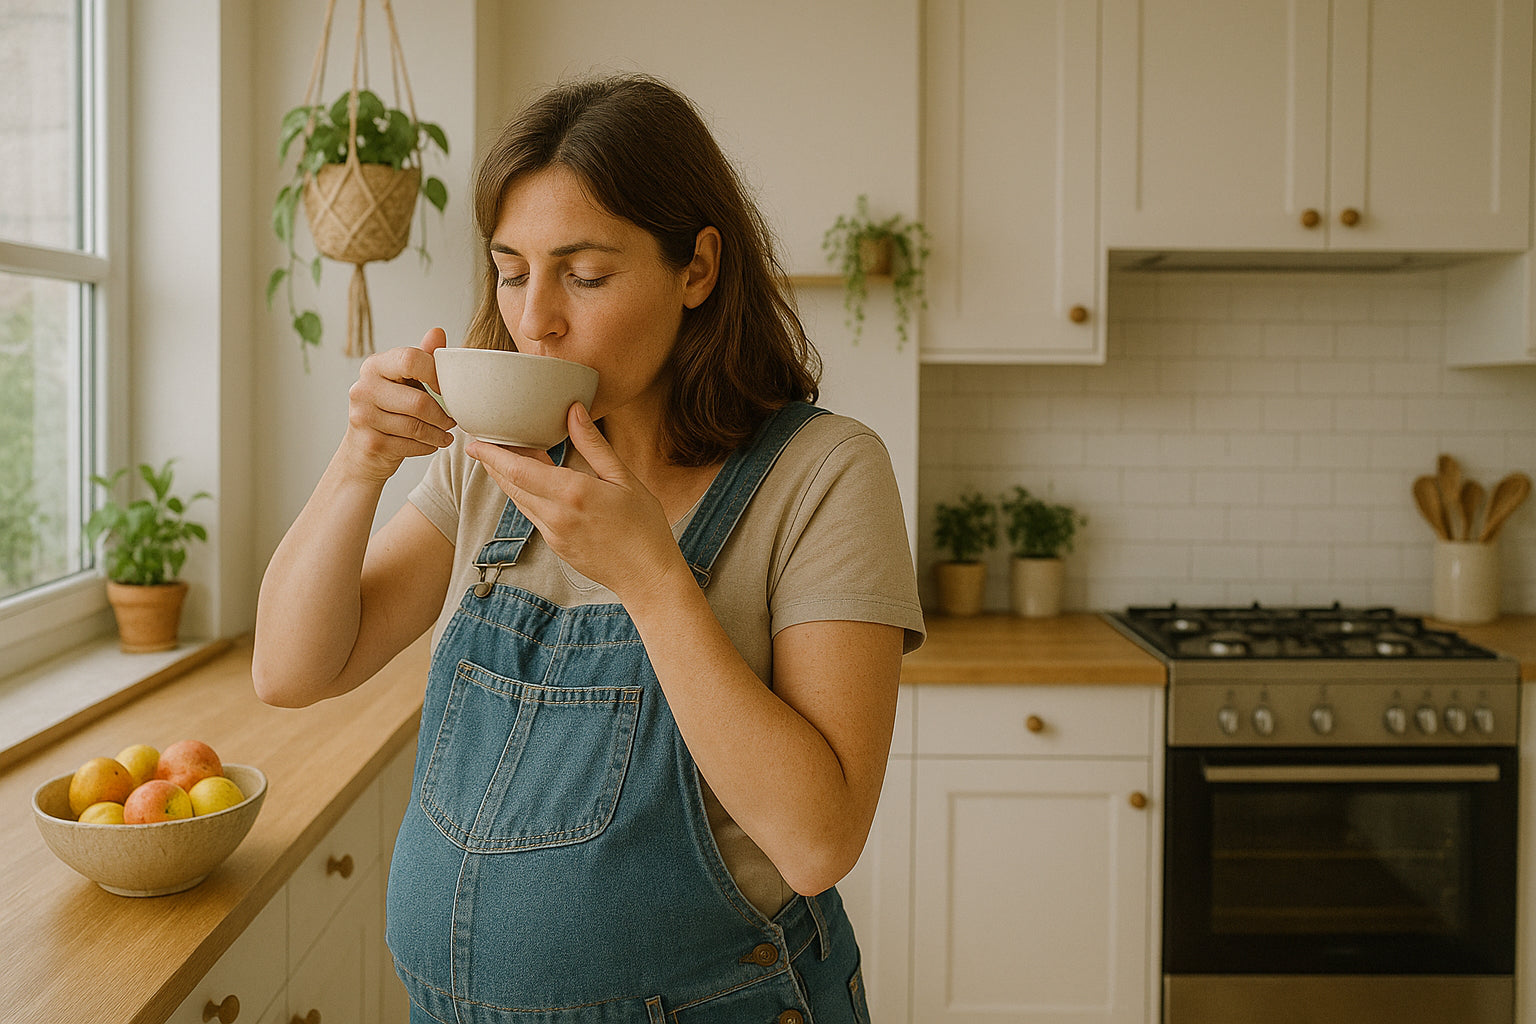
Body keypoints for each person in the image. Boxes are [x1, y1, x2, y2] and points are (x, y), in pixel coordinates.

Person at [253, 73, 924, 1024]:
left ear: (697, 268)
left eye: (586, 274)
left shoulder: (824, 475)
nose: (536, 320)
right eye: (512, 270)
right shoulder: (495, 465)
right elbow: (291, 669)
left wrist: (653, 578)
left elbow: (818, 841)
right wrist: (360, 460)